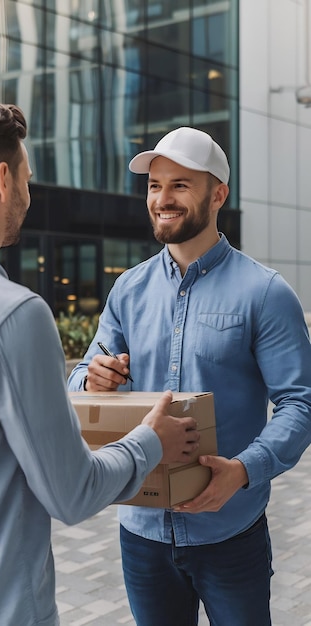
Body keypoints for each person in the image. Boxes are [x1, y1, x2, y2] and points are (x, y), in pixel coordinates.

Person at [0, 101, 199, 626]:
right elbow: (72, 493)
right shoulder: (13, 315)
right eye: (27, 175)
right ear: (3, 180)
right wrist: (149, 438)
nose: (28, 189)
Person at [68, 126, 311, 626]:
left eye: (180, 184)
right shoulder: (128, 291)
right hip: (141, 534)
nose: (162, 198)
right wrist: (94, 380)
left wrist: (244, 472)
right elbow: (81, 381)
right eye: (155, 186)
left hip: (231, 534)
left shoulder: (265, 293)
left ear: (218, 194)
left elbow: (300, 404)